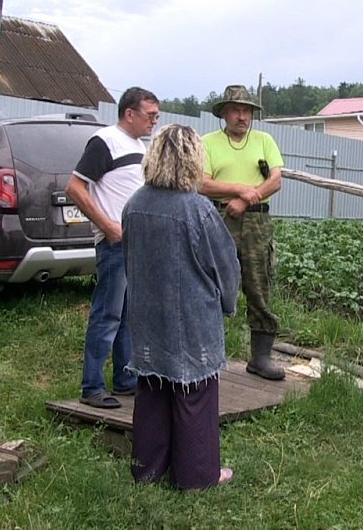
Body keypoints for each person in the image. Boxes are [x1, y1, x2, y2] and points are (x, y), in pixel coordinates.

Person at [123, 124, 240, 490]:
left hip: (146, 316)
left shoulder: (134, 204)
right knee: (195, 396)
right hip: (192, 320)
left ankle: (148, 470)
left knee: (152, 391)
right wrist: (228, 303)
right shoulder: (198, 210)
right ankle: (197, 477)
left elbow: (129, 259)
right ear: (191, 161)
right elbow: (225, 266)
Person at [65, 86, 159, 409]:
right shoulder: (104, 141)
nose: (154, 122)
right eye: (150, 115)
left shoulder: (139, 146)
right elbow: (74, 188)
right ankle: (91, 386)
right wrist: (107, 226)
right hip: (114, 244)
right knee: (107, 314)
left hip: (136, 245)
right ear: (129, 113)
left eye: (157, 116)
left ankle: (125, 378)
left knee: (129, 316)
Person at [200, 85, 286, 380]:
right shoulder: (208, 143)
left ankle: (260, 358)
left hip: (257, 223)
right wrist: (237, 189)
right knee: (211, 285)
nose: (242, 116)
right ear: (224, 113)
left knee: (258, 284)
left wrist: (247, 197)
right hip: (218, 219)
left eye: (246, 110)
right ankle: (207, 354)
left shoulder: (264, 140)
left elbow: (275, 180)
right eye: (236, 110)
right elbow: (202, 183)